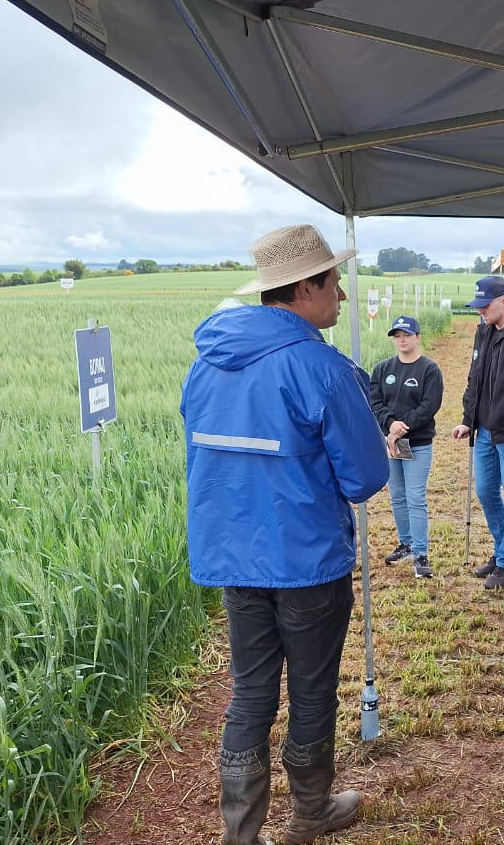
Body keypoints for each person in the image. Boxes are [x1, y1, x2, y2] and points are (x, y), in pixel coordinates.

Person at [181, 224, 390, 845]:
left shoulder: (206, 364)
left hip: (230, 559)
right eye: (335, 282)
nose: (343, 297)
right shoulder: (320, 367)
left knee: (249, 695)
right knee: (311, 689)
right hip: (306, 563)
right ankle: (311, 811)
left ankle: (239, 835)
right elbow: (364, 477)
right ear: (306, 287)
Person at [451, 275, 504, 590]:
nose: (480, 312)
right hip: (484, 430)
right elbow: (475, 379)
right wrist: (466, 419)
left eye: (485, 306)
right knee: (486, 491)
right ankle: (503, 551)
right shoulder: (483, 332)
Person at [370, 315, 444, 579]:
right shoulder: (382, 369)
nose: (401, 340)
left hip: (418, 442)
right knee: (397, 496)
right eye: (397, 336)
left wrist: (404, 426)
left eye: (407, 335)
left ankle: (421, 553)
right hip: (391, 442)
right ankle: (406, 544)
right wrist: (390, 426)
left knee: (415, 497)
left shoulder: (429, 370)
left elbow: (429, 405)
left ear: (417, 337)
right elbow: (376, 401)